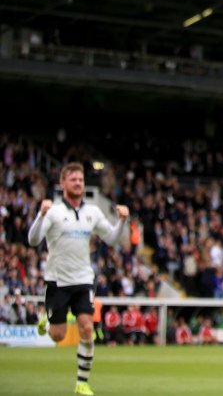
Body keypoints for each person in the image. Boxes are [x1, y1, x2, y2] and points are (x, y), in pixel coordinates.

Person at [28, 162, 129, 396]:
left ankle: (81, 383)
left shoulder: (92, 212)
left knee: (86, 329)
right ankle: (50, 314)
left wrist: (122, 221)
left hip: (83, 279)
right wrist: (40, 214)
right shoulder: (53, 211)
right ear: (63, 183)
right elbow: (33, 240)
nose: (78, 183)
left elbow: (112, 239)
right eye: (73, 180)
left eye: (81, 180)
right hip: (57, 281)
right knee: (58, 335)